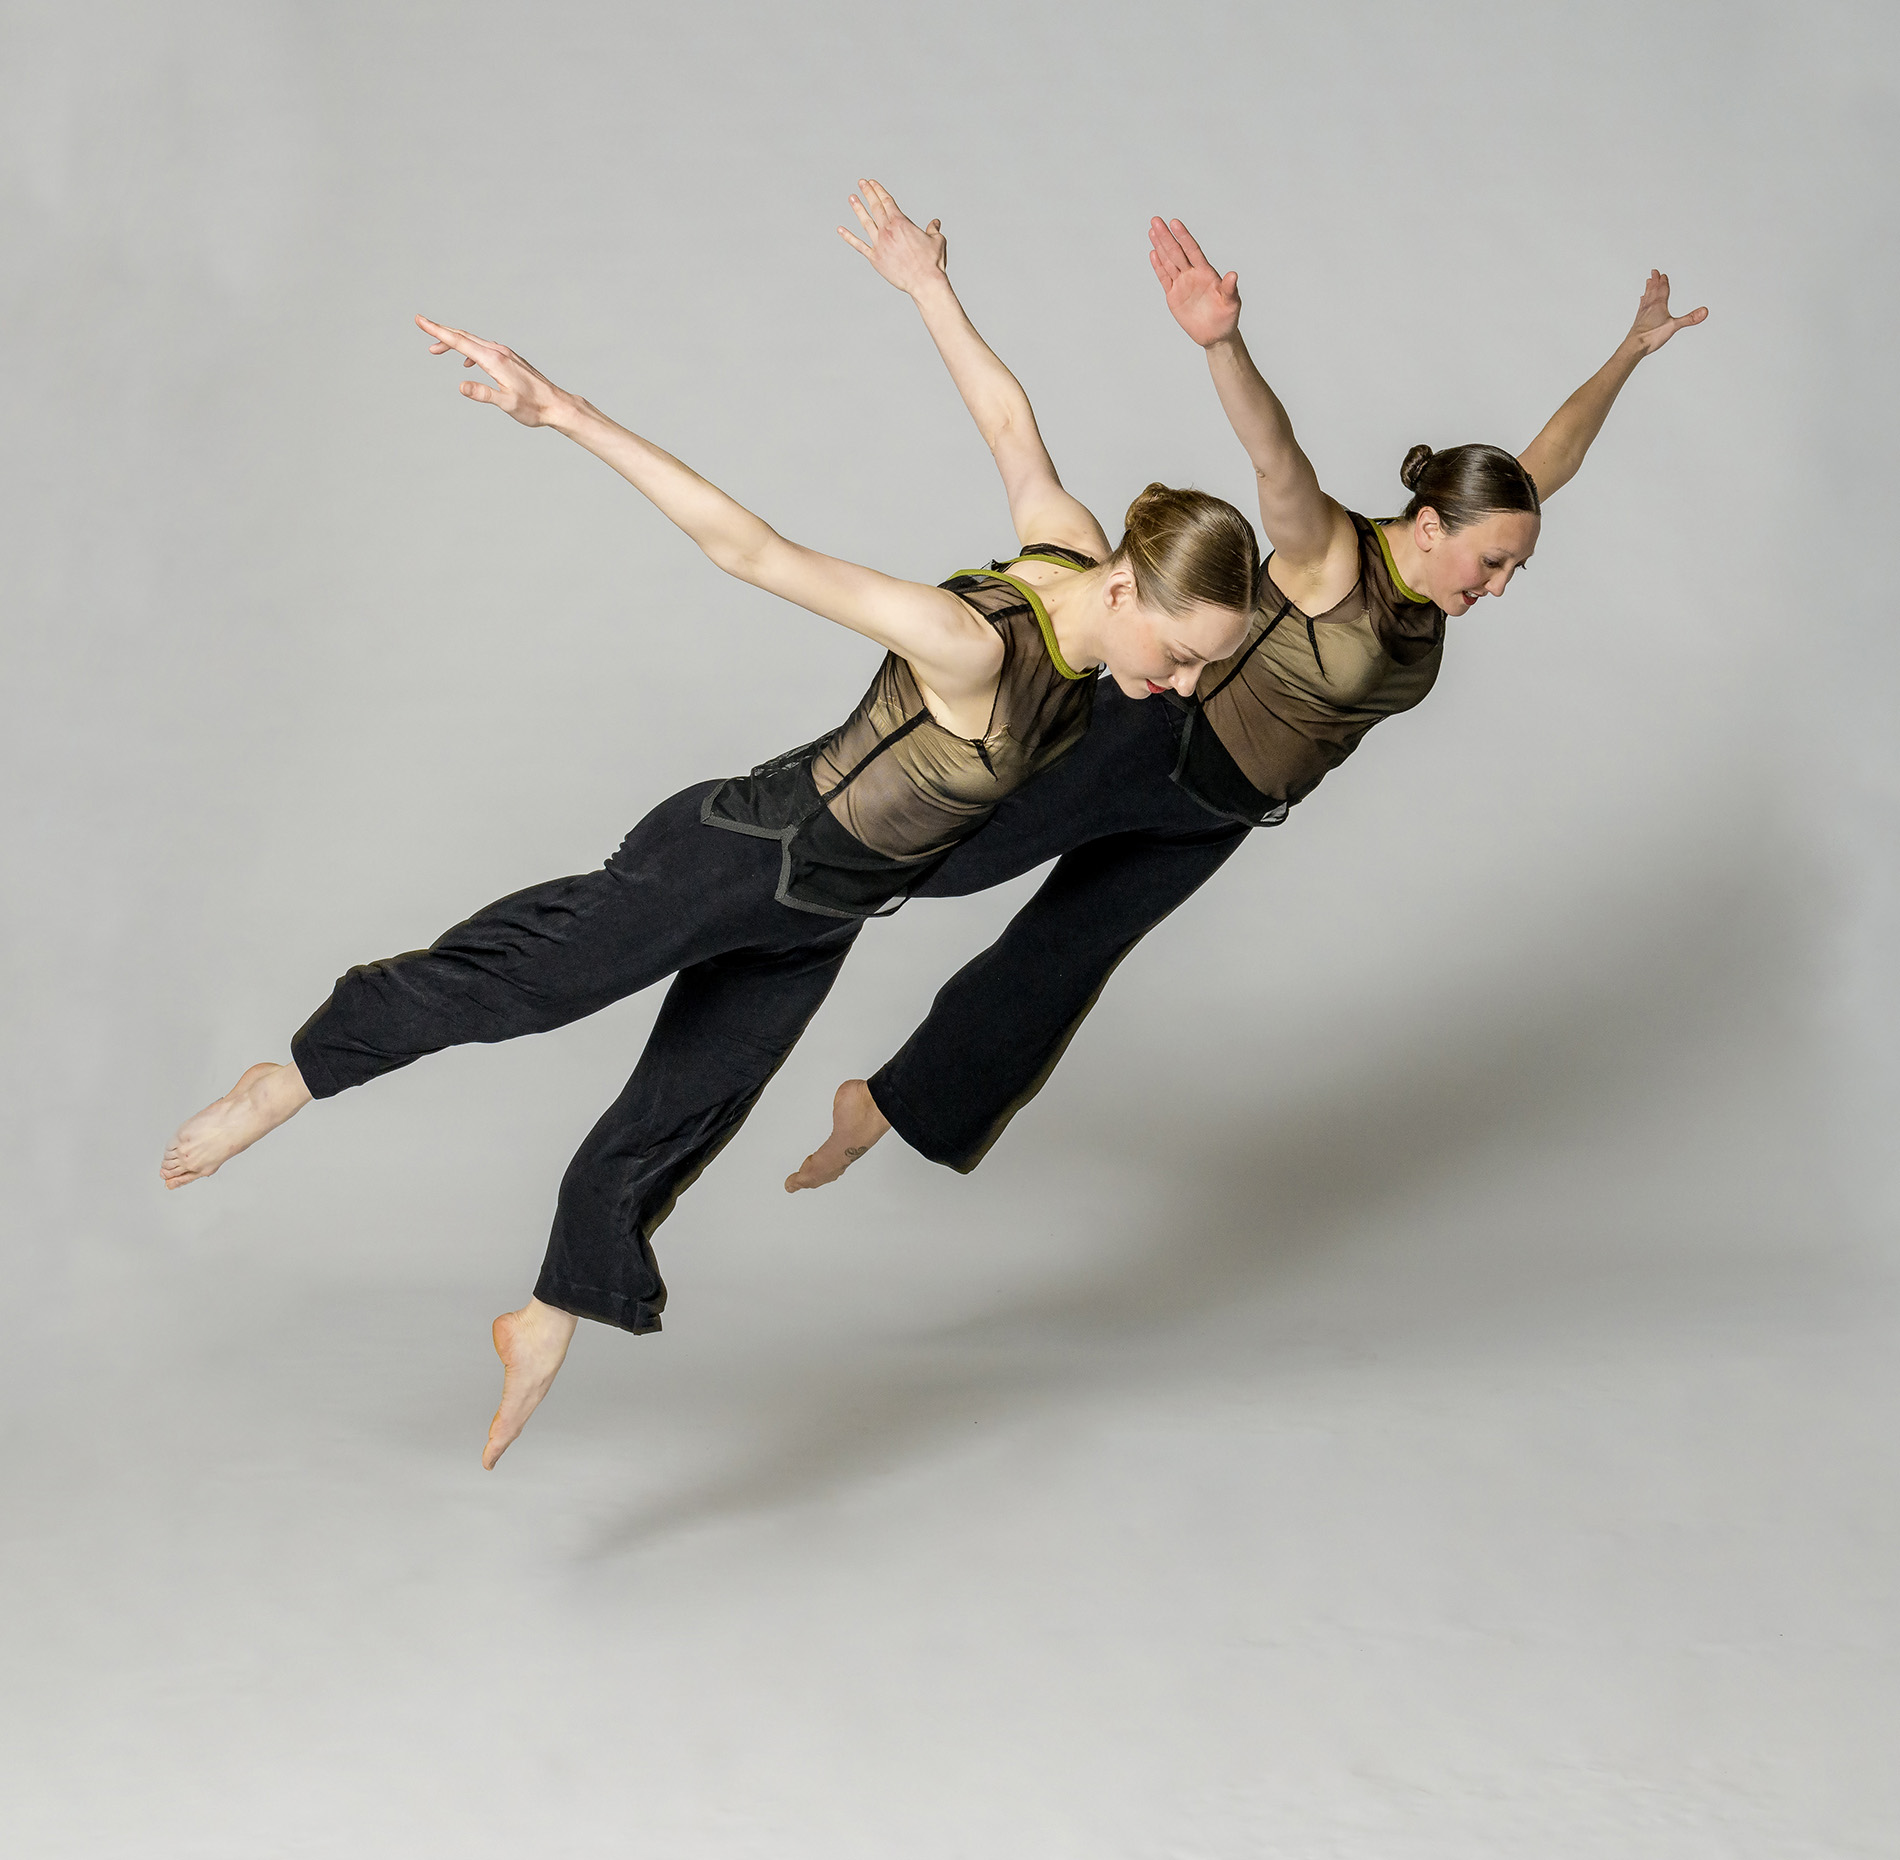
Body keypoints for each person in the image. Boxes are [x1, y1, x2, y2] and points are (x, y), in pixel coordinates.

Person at [158, 221, 1260, 1468]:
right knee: (524, 988)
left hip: (825, 907)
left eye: (1200, 667)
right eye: (1178, 655)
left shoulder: (1074, 542)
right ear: (1126, 590)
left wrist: (928, 284)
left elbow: (1008, 420)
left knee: (686, 1110)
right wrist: (561, 410)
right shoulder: (973, 645)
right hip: (741, 852)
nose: (1174, 685)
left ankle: (548, 1314)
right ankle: (294, 1075)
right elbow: (750, 549)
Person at [788, 201, 1707, 1189]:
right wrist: (1225, 347)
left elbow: (1548, 459)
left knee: (1057, 963)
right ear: (1431, 524)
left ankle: (881, 1105)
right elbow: (1276, 457)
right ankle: (747, 875)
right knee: (940, 857)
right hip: (1148, 741)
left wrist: (1628, 353)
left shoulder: (1473, 530)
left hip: (1217, 808)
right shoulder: (1327, 553)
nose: (1497, 586)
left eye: (1514, 568)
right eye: (1491, 563)